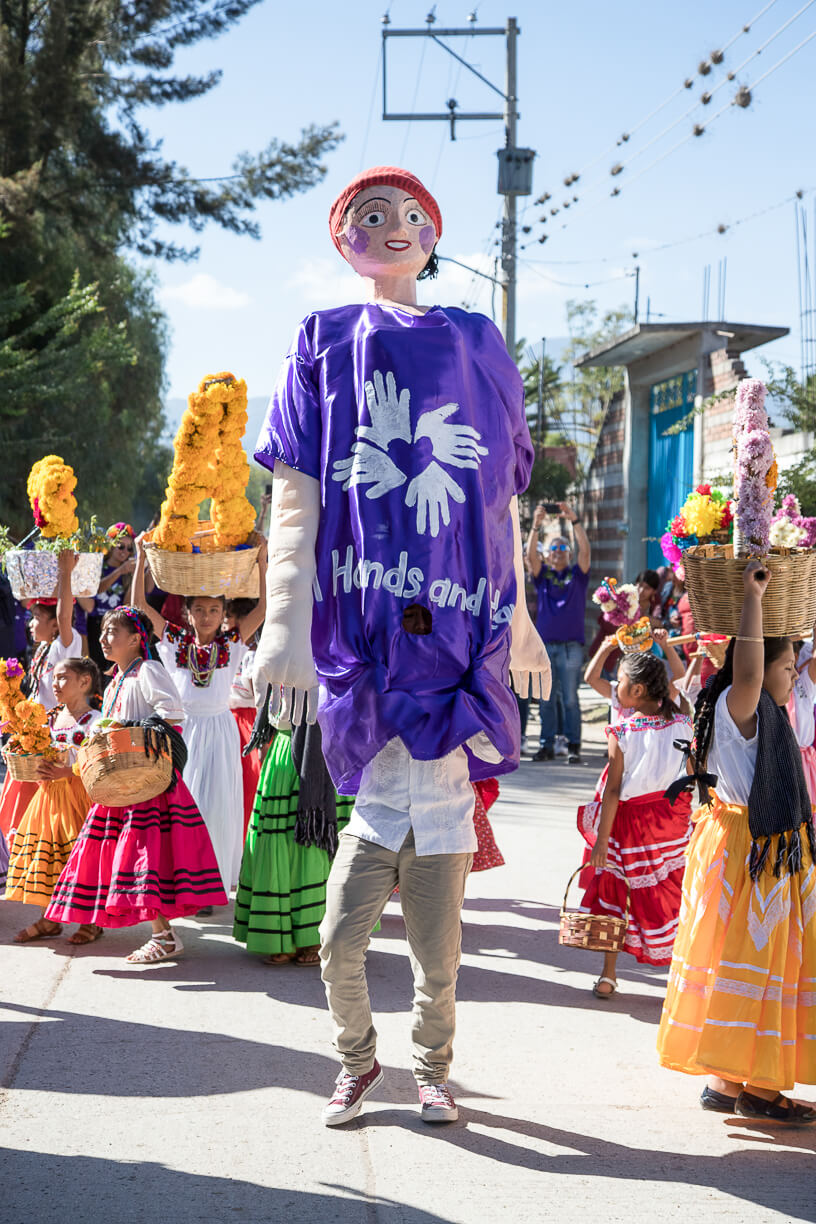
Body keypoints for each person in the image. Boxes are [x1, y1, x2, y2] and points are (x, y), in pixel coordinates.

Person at [253, 165, 549, 1127]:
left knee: (440, 958)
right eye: (365, 216)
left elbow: (501, 500)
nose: (388, 228)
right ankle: (356, 1060)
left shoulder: (472, 337)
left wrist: (526, 621)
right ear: (342, 237)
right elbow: (295, 496)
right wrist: (285, 623)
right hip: (371, 697)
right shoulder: (324, 337)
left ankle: (432, 1069)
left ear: (433, 233)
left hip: (455, 685)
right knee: (341, 941)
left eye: (407, 215)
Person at [656, 562, 816, 1124]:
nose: (793, 674)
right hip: (753, 850)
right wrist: (752, 595)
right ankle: (760, 1087)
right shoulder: (738, 706)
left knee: (744, 959)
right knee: (759, 960)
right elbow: (747, 669)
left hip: (758, 847)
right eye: (787, 663)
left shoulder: (767, 712)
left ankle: (727, 1081)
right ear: (757, 665)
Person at [45, 606, 228, 961]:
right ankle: (155, 932)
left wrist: (127, 729)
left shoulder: (148, 670)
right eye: (102, 632)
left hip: (147, 784)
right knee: (126, 859)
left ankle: (165, 936)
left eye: (112, 632)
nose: (103, 638)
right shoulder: (116, 680)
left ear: (135, 639)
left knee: (143, 860)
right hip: (120, 785)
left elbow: (172, 713)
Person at [133, 535, 268, 893]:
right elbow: (138, 607)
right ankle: (183, 881)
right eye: (200, 610)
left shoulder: (233, 642)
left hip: (221, 730)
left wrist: (262, 562)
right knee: (183, 807)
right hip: (184, 730)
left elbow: (264, 609)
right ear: (187, 612)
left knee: (218, 808)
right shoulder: (174, 640)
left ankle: (212, 882)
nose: (207, 616)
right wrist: (140, 558)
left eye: (214, 610)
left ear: (224, 614)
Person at [576, 650, 692, 997]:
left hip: (628, 828)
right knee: (671, 895)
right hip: (670, 824)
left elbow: (613, 791)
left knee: (616, 893)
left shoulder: (623, 731)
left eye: (621, 680)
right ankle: (680, 976)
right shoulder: (683, 722)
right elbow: (688, 776)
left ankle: (609, 975)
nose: (617, 685)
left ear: (638, 690)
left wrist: (600, 842)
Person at [233, 695, 354, 966]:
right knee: (285, 840)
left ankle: (314, 935)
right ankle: (281, 936)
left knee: (318, 841)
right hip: (287, 746)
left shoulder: (338, 652)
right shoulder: (277, 652)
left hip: (329, 746)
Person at [6, 657, 102, 942]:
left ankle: (90, 920)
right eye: (54, 677)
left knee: (78, 857)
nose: (55, 684)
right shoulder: (49, 717)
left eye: (64, 678)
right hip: (48, 798)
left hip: (79, 797)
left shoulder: (95, 720)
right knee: (48, 859)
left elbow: (97, 762)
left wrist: (65, 770)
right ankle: (49, 918)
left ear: (84, 682)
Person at [0, 550, 80, 843]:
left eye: (36, 618)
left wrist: (65, 573)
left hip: (53, 741)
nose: (30, 624)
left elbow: (65, 614)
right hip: (35, 737)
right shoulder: (42, 650)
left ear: (55, 624)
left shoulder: (64, 647)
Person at [526, 501, 590, 763]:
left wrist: (574, 521)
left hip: (571, 646)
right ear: (548, 554)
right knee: (546, 700)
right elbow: (530, 558)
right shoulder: (543, 577)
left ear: (569, 554)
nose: (559, 551)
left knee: (571, 699)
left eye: (564, 547)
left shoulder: (577, 575)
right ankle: (546, 745)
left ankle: (574, 746)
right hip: (545, 646)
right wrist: (535, 526)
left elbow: (585, 552)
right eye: (554, 548)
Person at [225, 598, 262, 841]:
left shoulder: (256, 656)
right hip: (225, 721)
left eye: (230, 618)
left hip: (250, 723)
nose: (226, 625)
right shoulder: (223, 651)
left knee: (249, 785)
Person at [85, 524, 136, 673]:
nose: (125, 552)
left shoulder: (128, 572)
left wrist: (133, 576)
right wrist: (120, 571)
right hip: (95, 623)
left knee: (112, 669)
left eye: (129, 548)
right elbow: (96, 589)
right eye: (120, 546)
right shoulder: (99, 565)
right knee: (95, 667)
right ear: (111, 545)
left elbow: (127, 603)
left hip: (116, 625)